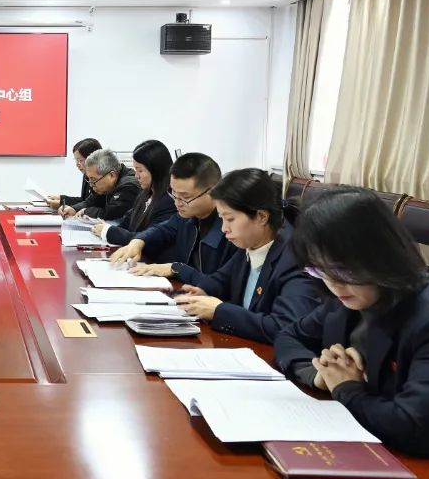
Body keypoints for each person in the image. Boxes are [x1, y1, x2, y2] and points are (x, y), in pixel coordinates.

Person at [275, 188, 429, 479]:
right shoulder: (348, 296)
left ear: (380, 254)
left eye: (342, 269)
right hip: (371, 451)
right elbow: (288, 336)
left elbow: (414, 429)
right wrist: (319, 375)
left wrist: (346, 389)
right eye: (319, 270)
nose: (333, 283)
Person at [168, 169, 321, 343]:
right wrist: (202, 291)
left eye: (230, 219)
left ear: (261, 216)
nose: (224, 228)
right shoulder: (250, 243)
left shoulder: (296, 258)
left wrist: (218, 311)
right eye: (221, 218)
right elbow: (221, 280)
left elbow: (286, 326)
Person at [109, 152, 238, 286]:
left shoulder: (231, 230)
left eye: (185, 197)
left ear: (212, 192)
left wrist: (176, 269)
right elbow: (162, 229)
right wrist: (138, 241)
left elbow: (220, 285)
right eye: (174, 194)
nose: (177, 203)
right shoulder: (186, 217)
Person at [92, 140, 175, 246]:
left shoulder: (169, 201)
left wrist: (108, 232)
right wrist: (106, 228)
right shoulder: (145, 194)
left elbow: (147, 240)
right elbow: (127, 222)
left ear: (156, 170)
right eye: (135, 170)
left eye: (140, 170)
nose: (136, 176)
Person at [58, 149, 140, 221]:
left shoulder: (129, 186)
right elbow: (90, 202)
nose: (91, 184)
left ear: (112, 175)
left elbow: (111, 214)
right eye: (89, 179)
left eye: (93, 179)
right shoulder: (103, 184)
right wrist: (74, 209)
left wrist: (86, 212)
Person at [46, 138, 102, 211]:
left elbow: (96, 204)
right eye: (76, 160)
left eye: (80, 160)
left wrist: (61, 204)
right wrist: (61, 198)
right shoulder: (86, 175)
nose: (77, 164)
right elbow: (84, 200)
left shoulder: (100, 178)